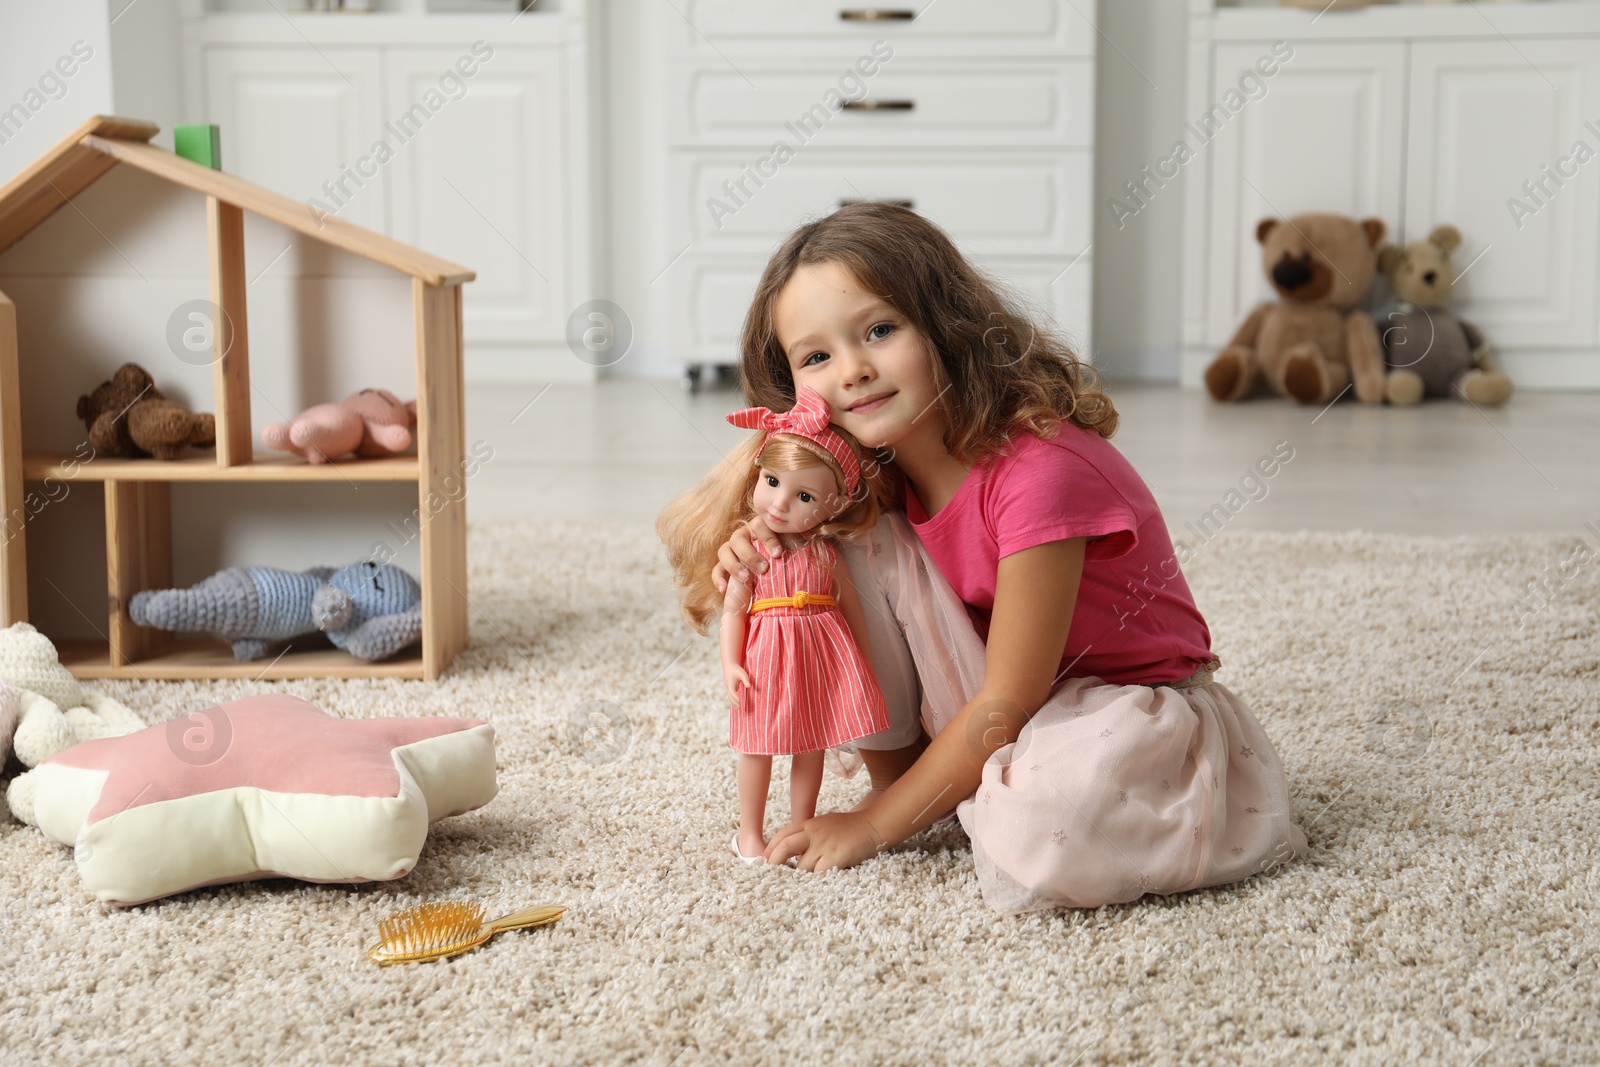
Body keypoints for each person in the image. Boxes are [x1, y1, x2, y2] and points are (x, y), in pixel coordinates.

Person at [709, 202, 1309, 914]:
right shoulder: (869, 482)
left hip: (1133, 716)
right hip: (1018, 701)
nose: (853, 370)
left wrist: (875, 827)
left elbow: (1007, 700)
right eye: (817, 356)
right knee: (838, 546)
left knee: (1053, 823)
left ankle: (942, 797)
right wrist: (762, 546)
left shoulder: (1038, 469)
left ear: (945, 324)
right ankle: (919, 784)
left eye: (879, 329)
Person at [658, 386, 890, 864]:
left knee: (811, 745)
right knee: (758, 746)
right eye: (771, 482)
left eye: (803, 495)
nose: (780, 504)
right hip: (765, 657)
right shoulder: (755, 549)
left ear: (832, 507)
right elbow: (734, 612)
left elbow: (853, 612)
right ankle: (749, 831)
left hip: (818, 657)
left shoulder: (826, 553)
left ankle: (800, 821)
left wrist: (861, 665)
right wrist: (730, 664)